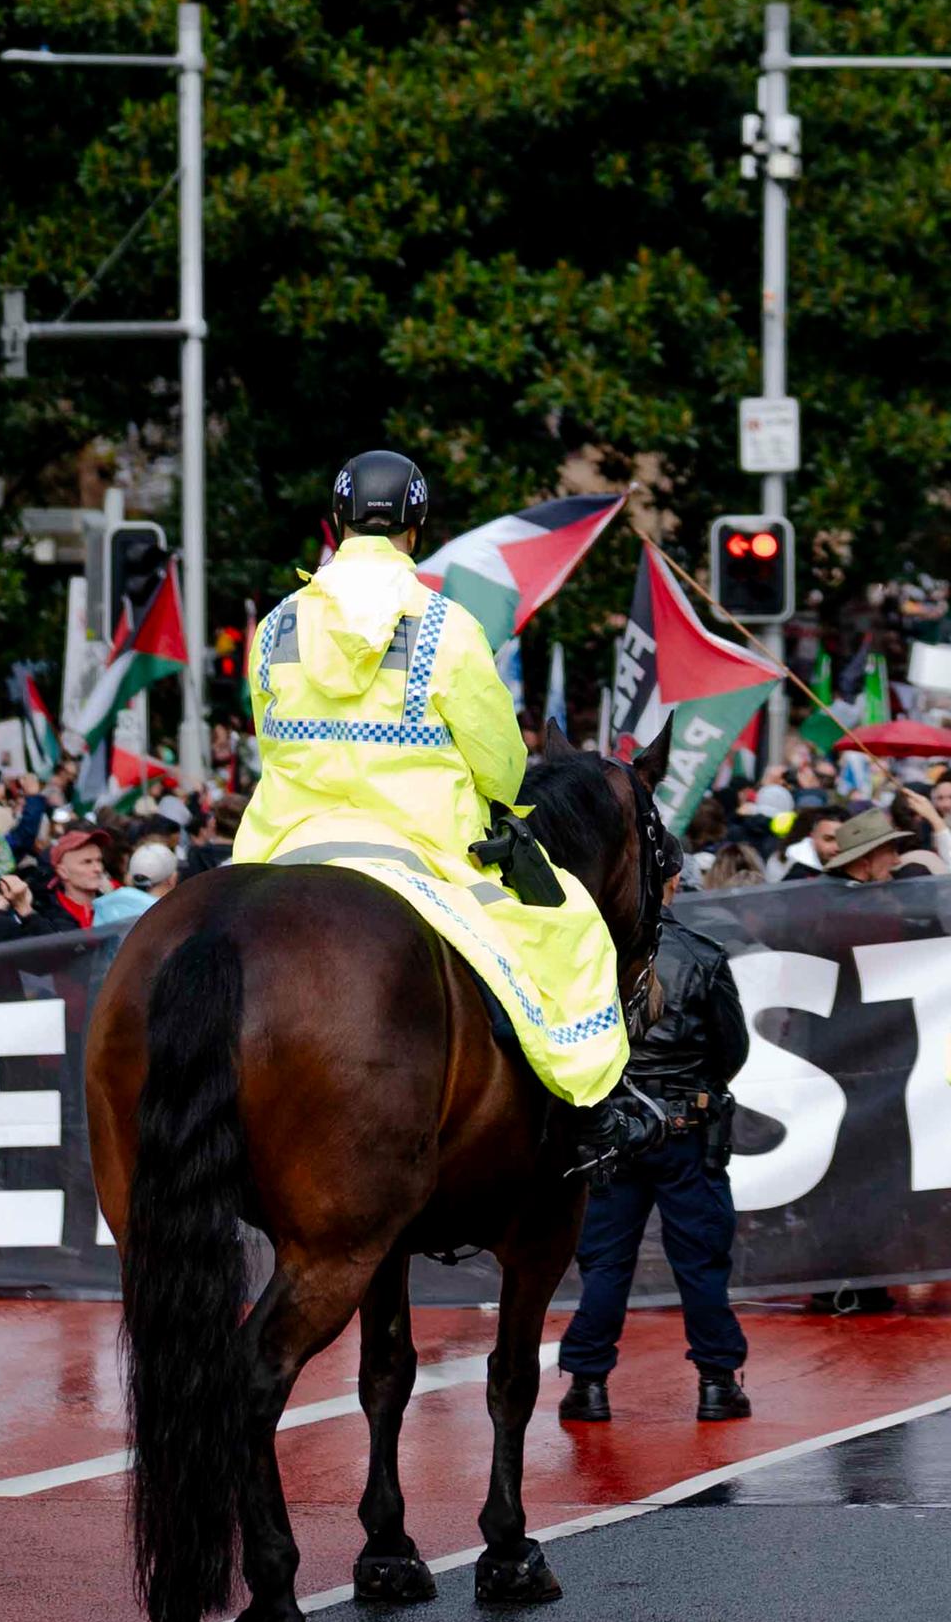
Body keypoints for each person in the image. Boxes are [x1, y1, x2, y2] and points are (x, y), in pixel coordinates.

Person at [240, 448, 665, 1174]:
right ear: (417, 523)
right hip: (422, 849)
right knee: (573, 931)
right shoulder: (446, 627)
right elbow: (501, 765)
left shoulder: (276, 627)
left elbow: (268, 737)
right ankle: (595, 1112)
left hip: (279, 845)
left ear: (337, 520)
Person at [559, 861, 756, 1426]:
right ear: (671, 882)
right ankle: (717, 1385)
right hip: (685, 1128)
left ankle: (587, 1385)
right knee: (700, 1260)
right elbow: (731, 1051)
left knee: (605, 1262)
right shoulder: (701, 953)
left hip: (611, 1128)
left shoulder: (590, 951)